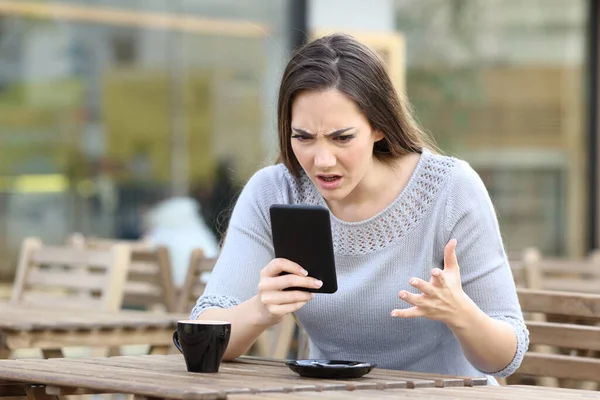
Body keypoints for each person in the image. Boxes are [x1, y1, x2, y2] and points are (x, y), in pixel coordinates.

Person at [190, 33, 528, 384]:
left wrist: (462, 315)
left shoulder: (450, 188)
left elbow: (506, 358)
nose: (322, 160)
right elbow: (203, 335)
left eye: (342, 138)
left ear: (379, 127)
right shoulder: (274, 191)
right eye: (303, 137)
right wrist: (260, 310)